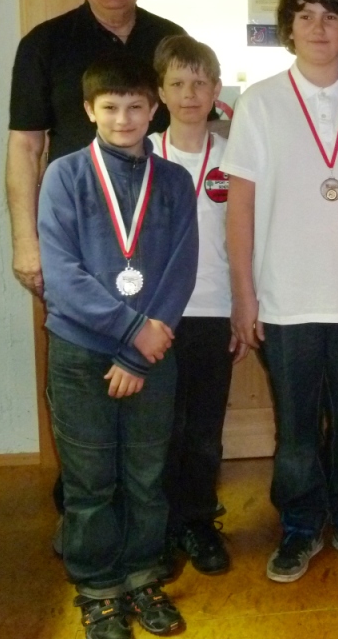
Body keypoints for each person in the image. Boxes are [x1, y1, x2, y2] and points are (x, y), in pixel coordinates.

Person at [222, 0, 338, 584]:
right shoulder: (260, 102)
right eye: (305, 16)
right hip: (286, 300)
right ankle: (298, 527)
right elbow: (239, 206)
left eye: (331, 16)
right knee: (295, 429)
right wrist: (244, 295)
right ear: (289, 29)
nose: (319, 27)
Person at [38, 57, 197, 639]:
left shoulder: (174, 182)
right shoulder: (64, 176)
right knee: (91, 482)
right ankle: (99, 589)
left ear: (153, 108)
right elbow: (62, 276)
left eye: (135, 106)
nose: (123, 118)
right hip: (81, 354)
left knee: (146, 477)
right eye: (110, 107)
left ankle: (143, 576)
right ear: (90, 110)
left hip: (152, 356)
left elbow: (180, 270)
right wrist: (132, 332)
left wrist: (137, 352)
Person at [7, 0, 187, 300]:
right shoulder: (44, 44)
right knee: (79, 329)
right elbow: (25, 145)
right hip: (76, 222)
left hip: (158, 219)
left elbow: (196, 122)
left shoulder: (171, 40)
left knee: (156, 327)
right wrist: (25, 241)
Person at [149, 35, 243, 576]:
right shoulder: (142, 154)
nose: (189, 94)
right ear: (160, 92)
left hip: (213, 310)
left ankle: (199, 522)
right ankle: (160, 529)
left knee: (204, 428)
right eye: (178, 84)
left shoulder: (233, 158)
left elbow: (246, 239)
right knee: (160, 429)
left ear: (216, 91)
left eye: (200, 83)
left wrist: (242, 308)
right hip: (154, 316)